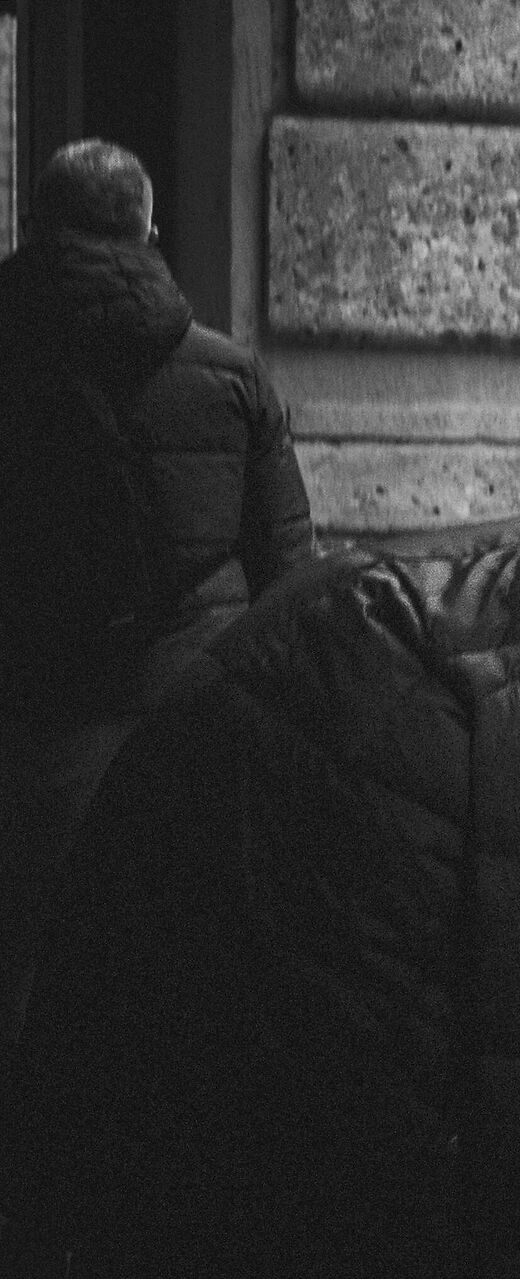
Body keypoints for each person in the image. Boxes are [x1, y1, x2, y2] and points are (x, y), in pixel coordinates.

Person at [0, 138, 313, 1048]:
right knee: (173, 984)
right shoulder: (231, 374)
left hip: (27, 730)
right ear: (147, 230)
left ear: (34, 227)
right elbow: (291, 575)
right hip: (189, 725)